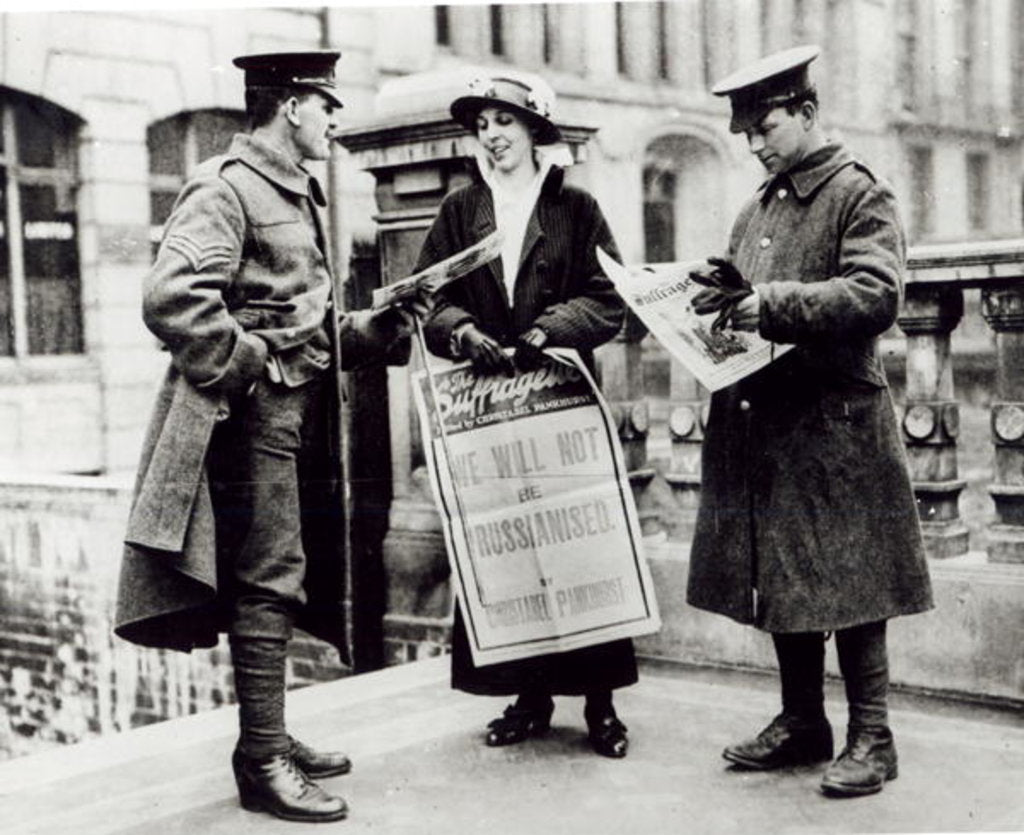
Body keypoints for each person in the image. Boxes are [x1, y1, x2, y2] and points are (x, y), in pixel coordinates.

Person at [114, 50, 423, 823]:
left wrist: (371, 328)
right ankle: (261, 758)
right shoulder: (225, 187)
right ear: (290, 104)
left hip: (303, 419)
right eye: (326, 103)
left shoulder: (291, 187)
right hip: (249, 421)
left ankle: (271, 732)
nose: (333, 118)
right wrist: (249, 366)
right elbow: (173, 297)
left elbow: (298, 320)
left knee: (285, 569)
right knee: (267, 574)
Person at [685, 45, 933, 798]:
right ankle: (803, 720)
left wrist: (772, 304)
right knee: (782, 572)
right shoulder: (759, 204)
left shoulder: (860, 193)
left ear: (808, 112)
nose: (756, 144)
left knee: (852, 581)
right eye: (748, 134)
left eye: (767, 127)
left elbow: (876, 293)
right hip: (769, 418)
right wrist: (713, 303)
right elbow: (747, 294)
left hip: (835, 422)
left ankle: (874, 736)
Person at [418, 71, 634, 758]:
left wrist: (552, 328)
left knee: (579, 541)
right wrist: (460, 332)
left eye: (504, 122)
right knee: (509, 544)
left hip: (562, 399)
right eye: (482, 124)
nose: (491, 135)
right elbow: (428, 295)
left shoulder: (575, 205)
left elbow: (611, 297)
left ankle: (600, 703)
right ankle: (530, 694)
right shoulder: (462, 208)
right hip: (494, 405)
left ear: (535, 129)